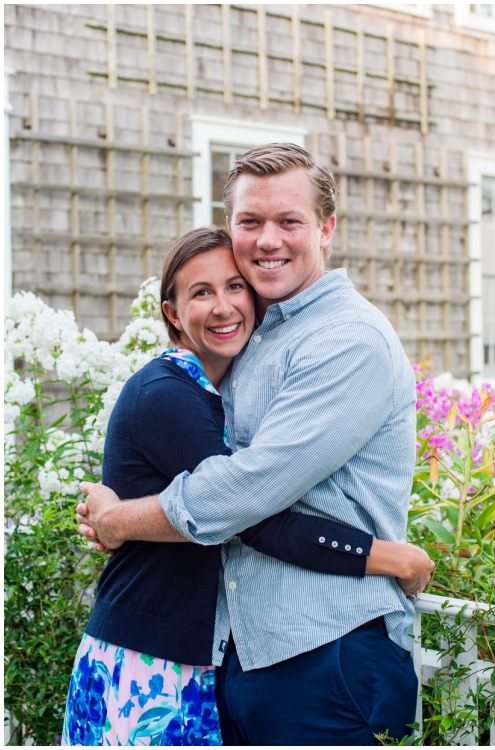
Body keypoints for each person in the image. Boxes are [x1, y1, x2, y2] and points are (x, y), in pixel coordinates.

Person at [76, 143, 428, 744]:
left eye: (289, 221)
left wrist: (120, 520)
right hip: (244, 657)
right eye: (250, 222)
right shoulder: (258, 336)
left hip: (328, 650)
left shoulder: (347, 340)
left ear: (327, 229)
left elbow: (246, 491)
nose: (268, 239)